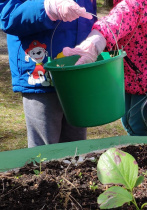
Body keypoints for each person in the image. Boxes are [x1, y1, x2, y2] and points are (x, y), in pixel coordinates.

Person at [63, 0, 147, 136]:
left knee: (138, 127)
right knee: (127, 122)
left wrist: (98, 39)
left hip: (146, 71)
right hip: (126, 70)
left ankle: (142, 153)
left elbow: (131, 9)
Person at [0, 0, 97, 147]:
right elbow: (8, 14)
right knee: (44, 153)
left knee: (76, 151)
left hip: (77, 74)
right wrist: (49, 8)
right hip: (40, 76)